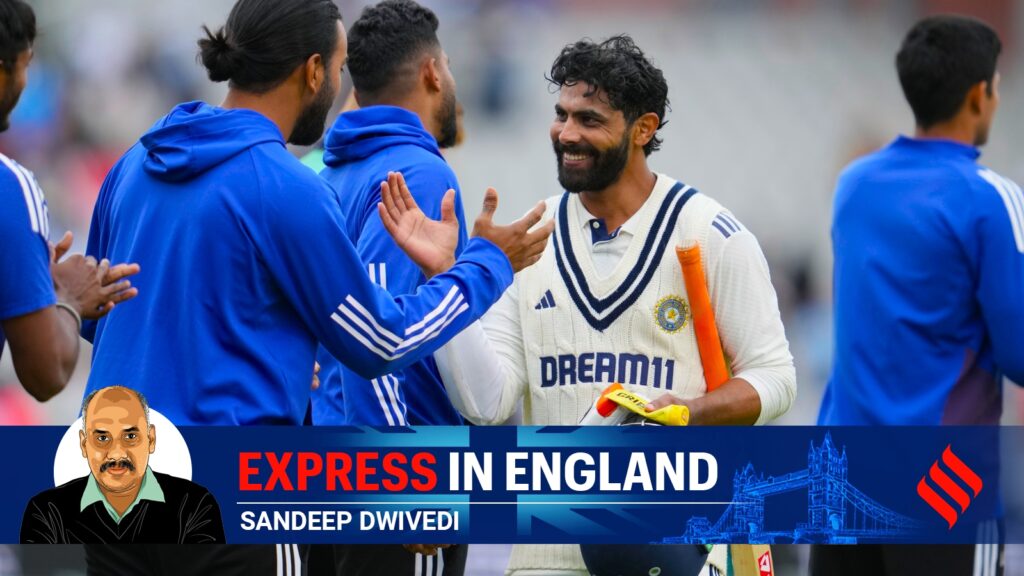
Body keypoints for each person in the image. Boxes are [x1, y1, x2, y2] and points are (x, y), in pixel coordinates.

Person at [79, 0, 549, 572]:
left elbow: (94, 313)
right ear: (313, 71)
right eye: (340, 64)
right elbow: (379, 344)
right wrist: (485, 265)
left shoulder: (133, 163)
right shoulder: (283, 184)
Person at [432, 35, 796, 576]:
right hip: (546, 557)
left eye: (590, 119)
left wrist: (689, 413)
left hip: (671, 549)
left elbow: (776, 378)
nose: (567, 134)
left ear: (643, 129)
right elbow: (487, 404)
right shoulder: (529, 241)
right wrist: (449, 283)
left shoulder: (711, 233)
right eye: (562, 115)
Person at [813, 15, 1015, 576]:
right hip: (942, 485)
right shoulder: (988, 198)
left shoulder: (853, 185)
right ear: (980, 95)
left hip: (841, 482)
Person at [309, 2, 485, 574]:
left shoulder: (331, 171)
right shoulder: (416, 171)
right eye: (451, 67)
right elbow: (380, 335)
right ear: (433, 72)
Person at [0, 0, 138, 403]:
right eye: (25, 65)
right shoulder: (11, 187)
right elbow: (48, 371)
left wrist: (32, 281)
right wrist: (66, 296)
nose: (27, 81)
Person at [21, 385, 225, 544]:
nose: (116, 453)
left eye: (130, 436)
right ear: (83, 444)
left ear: (151, 439)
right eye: (102, 439)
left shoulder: (194, 504)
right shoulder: (47, 510)